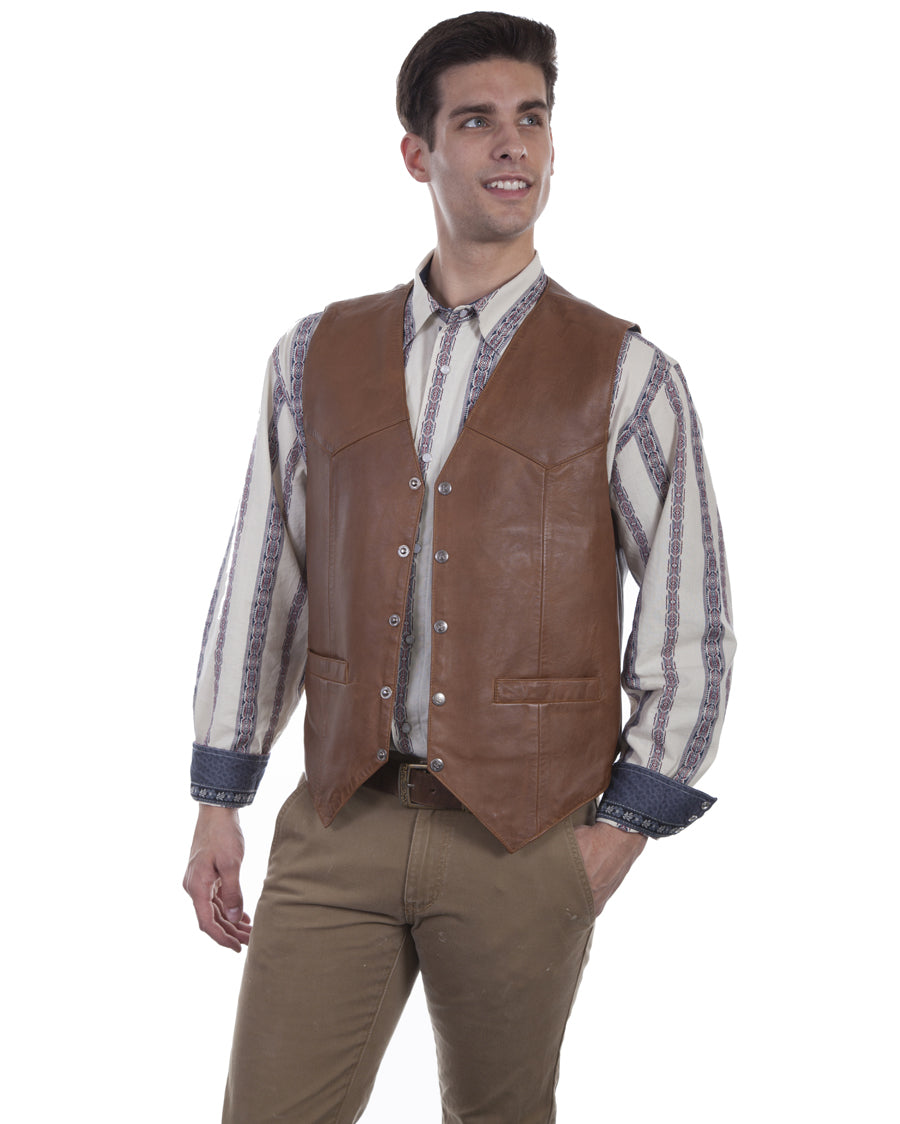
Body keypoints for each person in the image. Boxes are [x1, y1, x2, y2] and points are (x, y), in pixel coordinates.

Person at [183, 11, 736, 1122]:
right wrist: (219, 794)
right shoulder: (312, 354)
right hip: (339, 820)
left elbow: (690, 615)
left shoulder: (627, 373)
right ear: (418, 152)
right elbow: (265, 578)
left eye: (532, 117)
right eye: (477, 120)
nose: (512, 143)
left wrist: (618, 832)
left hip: (525, 838)